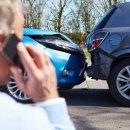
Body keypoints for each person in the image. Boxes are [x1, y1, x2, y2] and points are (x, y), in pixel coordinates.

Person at [0, 0, 75, 130]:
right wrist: (49, 98)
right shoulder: (20, 119)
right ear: (2, 40)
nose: (17, 51)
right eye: (16, 41)